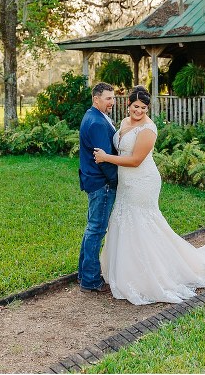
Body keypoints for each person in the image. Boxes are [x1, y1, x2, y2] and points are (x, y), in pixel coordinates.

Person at [92, 85, 205, 305]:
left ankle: (151, 275)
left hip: (143, 181)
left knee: (141, 224)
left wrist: (105, 158)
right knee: (123, 222)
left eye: (143, 107)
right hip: (125, 184)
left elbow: (135, 160)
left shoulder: (148, 129)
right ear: (128, 105)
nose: (138, 111)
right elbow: (120, 148)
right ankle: (125, 272)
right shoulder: (123, 123)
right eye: (135, 106)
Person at [78, 82, 118, 294]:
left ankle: (84, 273)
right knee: (96, 229)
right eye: (108, 98)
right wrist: (115, 182)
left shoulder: (94, 116)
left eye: (113, 98)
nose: (112, 102)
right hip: (101, 183)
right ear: (96, 99)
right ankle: (91, 280)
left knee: (91, 228)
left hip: (93, 180)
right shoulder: (96, 123)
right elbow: (104, 160)